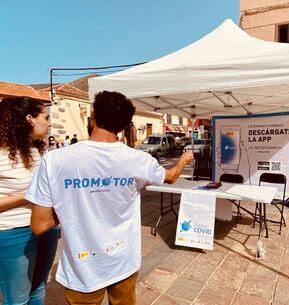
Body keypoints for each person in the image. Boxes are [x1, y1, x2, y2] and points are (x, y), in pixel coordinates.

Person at [27, 91, 193, 305]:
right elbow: (169, 177)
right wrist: (183, 161)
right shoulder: (139, 160)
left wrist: (73, 205)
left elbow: (39, 225)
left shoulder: (54, 160)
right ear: (124, 125)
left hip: (83, 267)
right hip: (124, 261)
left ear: (93, 116)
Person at [0, 96, 59, 305]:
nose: (50, 122)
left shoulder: (39, 150)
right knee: (17, 300)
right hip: (13, 232)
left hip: (47, 227)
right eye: (46, 117)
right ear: (29, 119)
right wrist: (28, 195)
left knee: (38, 289)